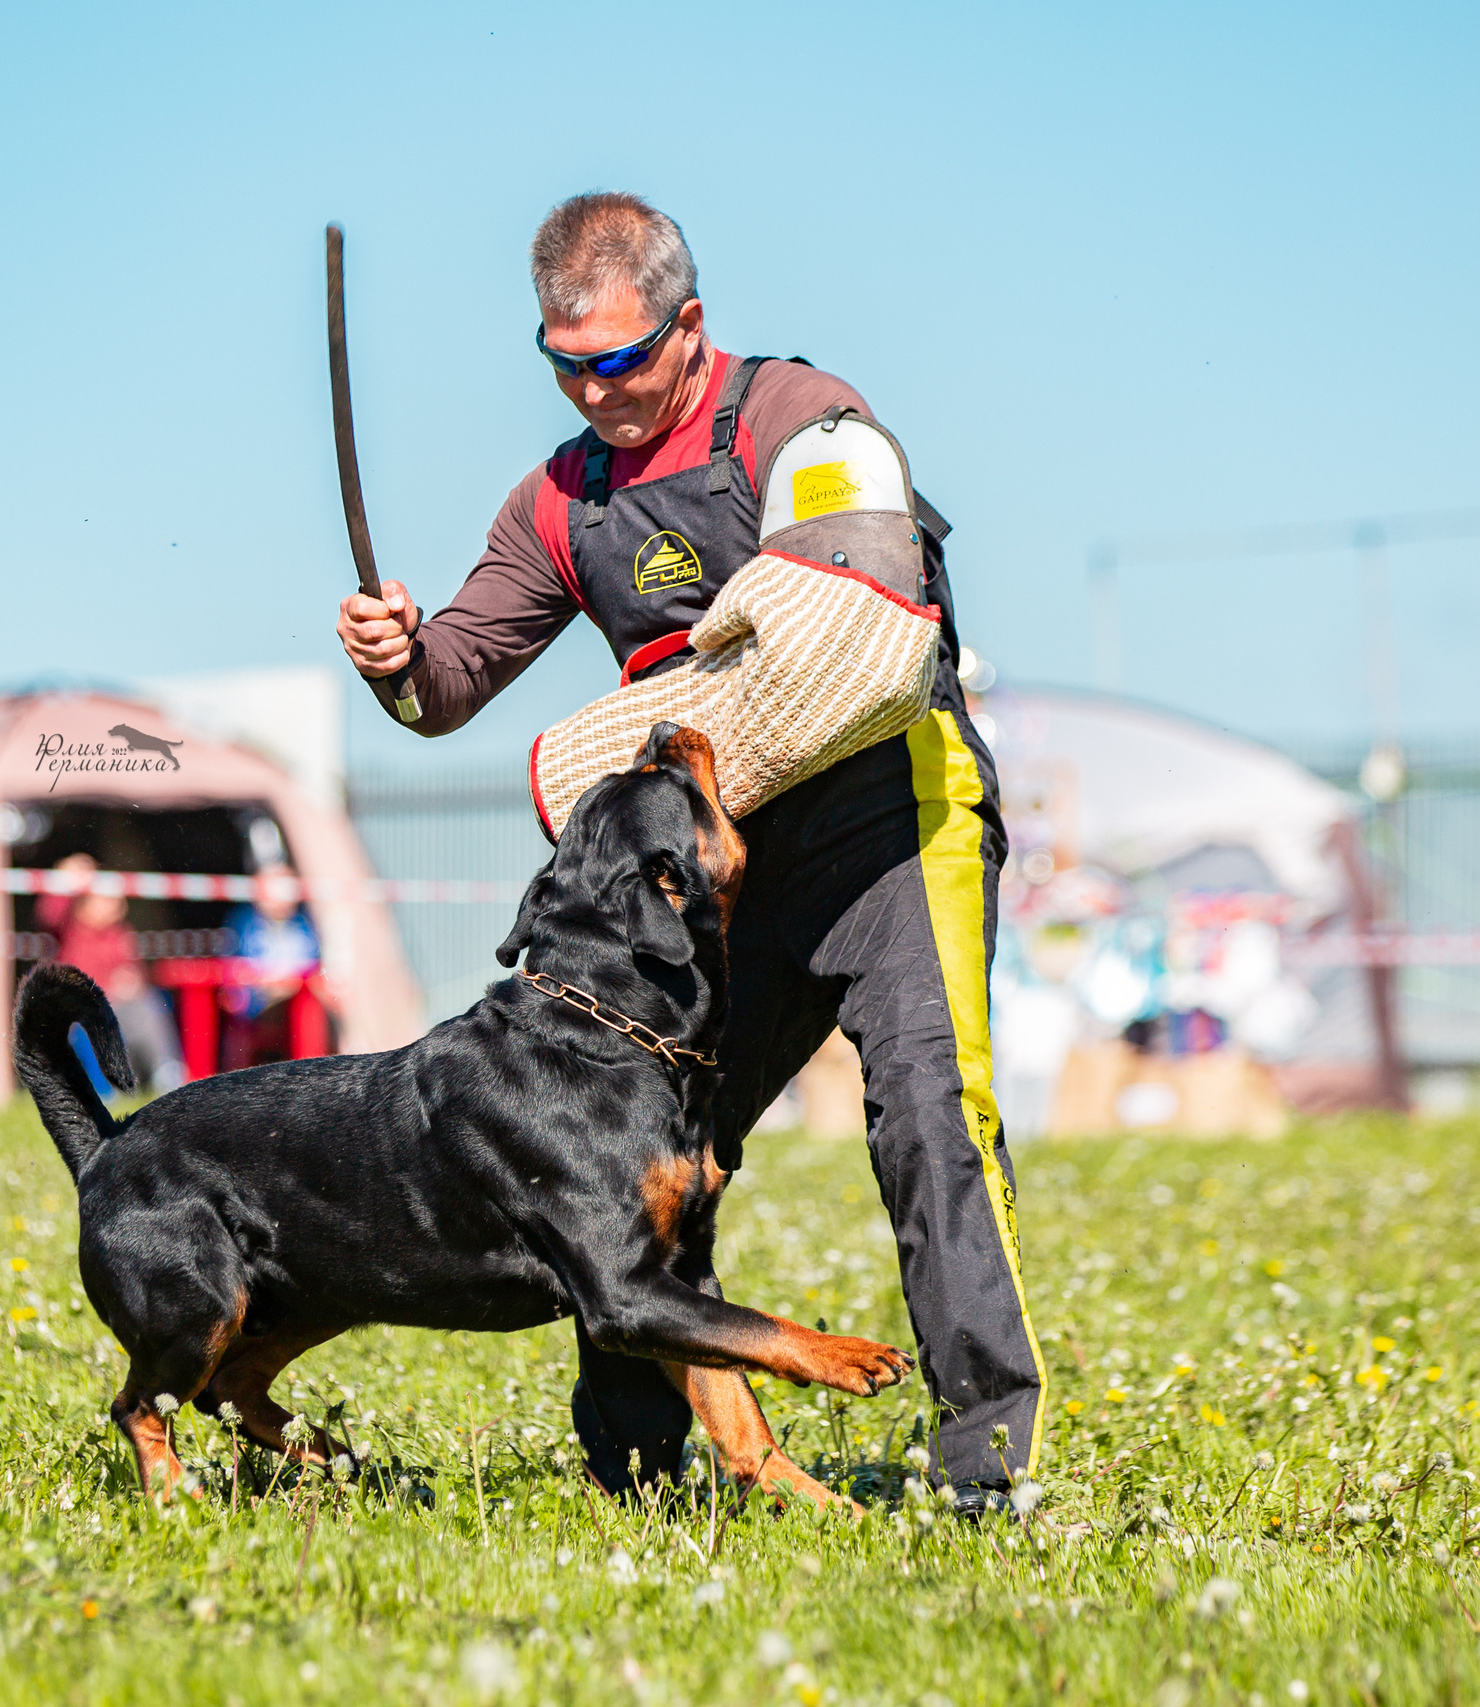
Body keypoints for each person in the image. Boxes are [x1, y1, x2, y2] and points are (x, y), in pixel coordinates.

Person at [335, 193, 1044, 1518]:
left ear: (690, 322)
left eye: (622, 357)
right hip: (728, 862)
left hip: (894, 818)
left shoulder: (800, 417)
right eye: (565, 361)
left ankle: (987, 1470)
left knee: (931, 1117)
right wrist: (396, 661)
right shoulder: (557, 500)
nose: (595, 388)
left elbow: (855, 627)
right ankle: (641, 1466)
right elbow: (447, 688)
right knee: (652, 1147)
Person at [34, 853, 185, 1093]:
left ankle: (166, 1070)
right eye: (103, 899)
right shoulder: (69, 928)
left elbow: (136, 971)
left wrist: (132, 980)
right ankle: (109, 1084)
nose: (111, 905)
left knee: (151, 1005)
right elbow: (49, 911)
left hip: (120, 1006)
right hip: (82, 1007)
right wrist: (66, 878)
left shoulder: (121, 933)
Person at [219, 861, 321, 1069]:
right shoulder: (243, 922)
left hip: (297, 998)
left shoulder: (303, 925)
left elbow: (312, 965)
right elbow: (237, 972)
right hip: (256, 1003)